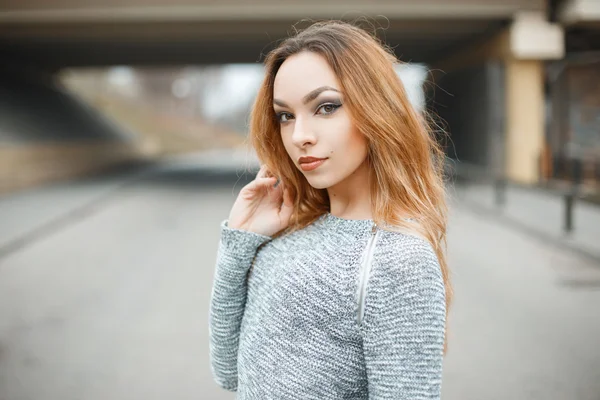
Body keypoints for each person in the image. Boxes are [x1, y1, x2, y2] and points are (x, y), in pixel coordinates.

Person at [208, 19, 452, 399]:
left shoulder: (399, 259)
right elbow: (228, 370)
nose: (300, 135)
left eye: (325, 107)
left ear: (376, 111)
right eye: (285, 115)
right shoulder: (294, 230)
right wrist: (239, 243)